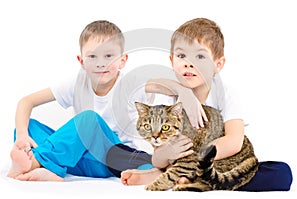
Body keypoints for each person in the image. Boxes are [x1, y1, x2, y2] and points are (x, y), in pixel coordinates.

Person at [7, 20, 197, 181]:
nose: (101, 63)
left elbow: (162, 84)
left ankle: (33, 163)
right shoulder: (76, 83)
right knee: (29, 127)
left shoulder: (129, 84)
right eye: (92, 56)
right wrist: (23, 135)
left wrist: (185, 92)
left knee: (89, 120)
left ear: (123, 60)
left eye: (108, 56)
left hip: (117, 158)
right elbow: (26, 102)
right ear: (81, 61)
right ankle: (51, 168)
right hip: (81, 159)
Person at [119, 17, 293, 191]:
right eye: (181, 56)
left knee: (280, 173)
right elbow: (158, 156)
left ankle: (171, 174)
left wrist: (196, 159)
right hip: (180, 162)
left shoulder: (225, 94)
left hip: (217, 160)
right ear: (172, 61)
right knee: (165, 162)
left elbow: (234, 142)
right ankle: (176, 173)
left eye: (200, 56)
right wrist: (182, 92)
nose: (188, 63)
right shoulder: (167, 102)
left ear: (218, 64)